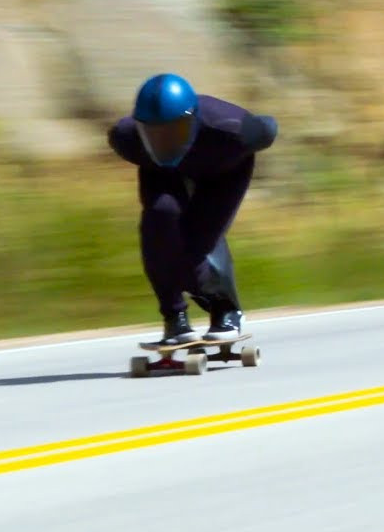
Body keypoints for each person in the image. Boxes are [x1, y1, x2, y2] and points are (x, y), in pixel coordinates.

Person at [107, 72, 278, 345]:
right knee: (158, 228)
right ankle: (175, 318)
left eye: (175, 132)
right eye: (153, 134)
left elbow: (268, 126)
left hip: (223, 172)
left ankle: (225, 309)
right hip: (163, 172)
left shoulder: (233, 130)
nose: (165, 143)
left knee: (195, 248)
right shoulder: (127, 138)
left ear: (194, 120)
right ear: (139, 128)